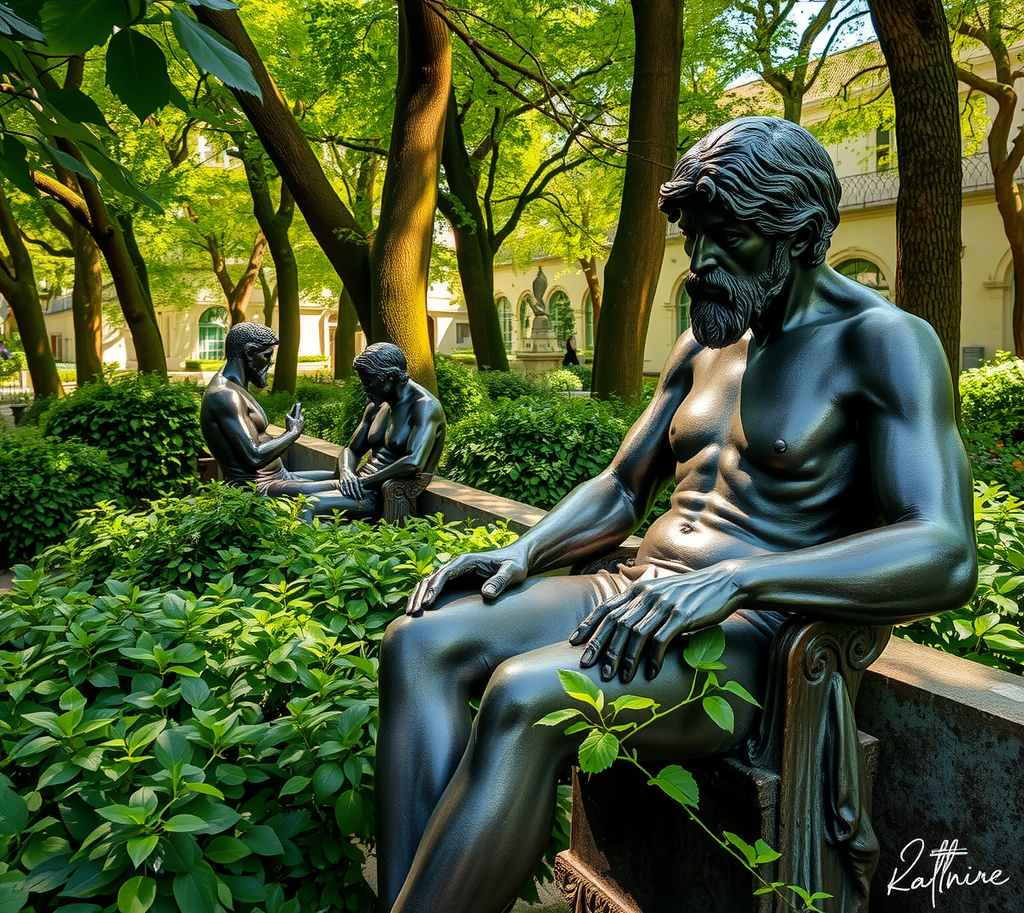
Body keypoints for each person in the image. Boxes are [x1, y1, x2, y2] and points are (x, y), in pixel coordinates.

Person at [373, 116, 977, 913]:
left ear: (801, 236)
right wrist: (528, 551)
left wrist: (737, 581)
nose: (700, 264)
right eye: (694, 239)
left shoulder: (885, 342)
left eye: (728, 238)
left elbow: (944, 550)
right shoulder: (705, 343)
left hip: (748, 637)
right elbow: (622, 487)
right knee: (418, 642)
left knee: (525, 697)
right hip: (634, 590)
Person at [200, 326, 445, 518]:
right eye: (267, 356)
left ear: (389, 377)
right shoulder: (377, 405)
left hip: (378, 488)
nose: (364, 388)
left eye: (368, 381)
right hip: (353, 482)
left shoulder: (424, 406)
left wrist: (359, 480)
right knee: (316, 494)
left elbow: (413, 462)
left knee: (311, 501)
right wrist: (347, 472)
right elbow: (351, 449)